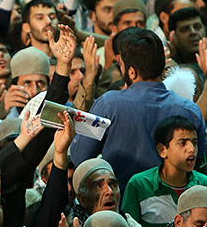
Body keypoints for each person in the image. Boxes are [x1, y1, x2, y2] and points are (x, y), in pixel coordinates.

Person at [70, 29, 207, 190]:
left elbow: (79, 157)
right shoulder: (190, 110)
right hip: (178, 204)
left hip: (120, 204)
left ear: (131, 72)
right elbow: (199, 168)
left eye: (120, 65)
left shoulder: (108, 104)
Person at [123, 116, 207, 227]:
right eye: (182, 143)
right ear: (162, 150)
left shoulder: (203, 184)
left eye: (194, 143)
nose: (192, 149)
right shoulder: (139, 185)